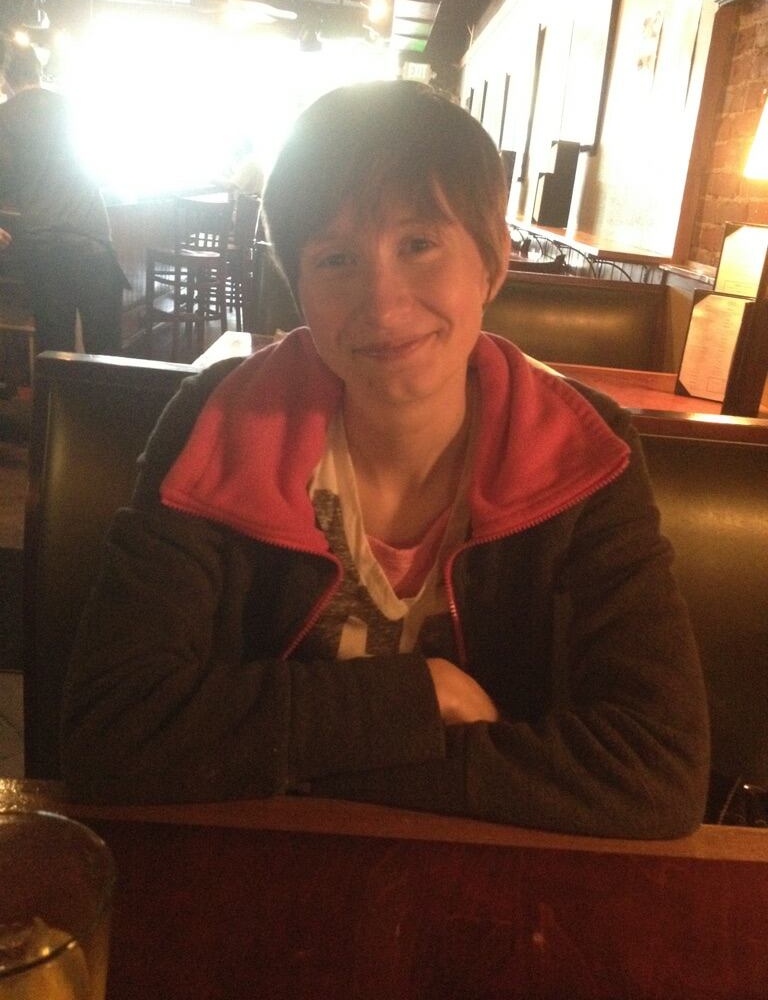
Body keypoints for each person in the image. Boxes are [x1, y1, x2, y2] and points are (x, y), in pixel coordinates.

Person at [62, 80, 709, 838]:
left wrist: (298, 757)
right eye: (336, 259)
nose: (381, 302)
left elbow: (657, 769)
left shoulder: (580, 449)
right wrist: (417, 698)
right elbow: (110, 731)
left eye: (418, 244)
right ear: (296, 286)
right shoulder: (220, 422)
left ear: (492, 261)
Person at [0, 41, 127, 355]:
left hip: (45, 248)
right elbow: (105, 171)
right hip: (95, 241)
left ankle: (55, 405)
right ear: (39, 72)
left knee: (55, 353)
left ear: (6, 77)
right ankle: (107, 405)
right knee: (106, 352)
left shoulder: (5, 116)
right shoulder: (75, 108)